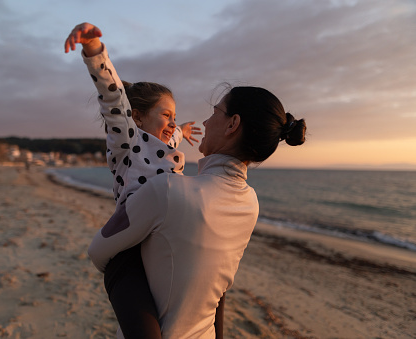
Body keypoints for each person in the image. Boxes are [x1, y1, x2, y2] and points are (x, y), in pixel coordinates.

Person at [88, 80, 307, 338]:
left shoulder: (167, 190)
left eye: (215, 113)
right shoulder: (251, 204)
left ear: (232, 124)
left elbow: (99, 251)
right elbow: (215, 289)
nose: (205, 123)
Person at [64, 23, 202, 338]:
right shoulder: (128, 141)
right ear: (137, 117)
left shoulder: (165, 144)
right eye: (166, 115)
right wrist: (94, 50)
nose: (173, 124)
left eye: (175, 117)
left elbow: (170, 135)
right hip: (130, 248)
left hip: (162, 242)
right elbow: (113, 102)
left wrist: (181, 130)